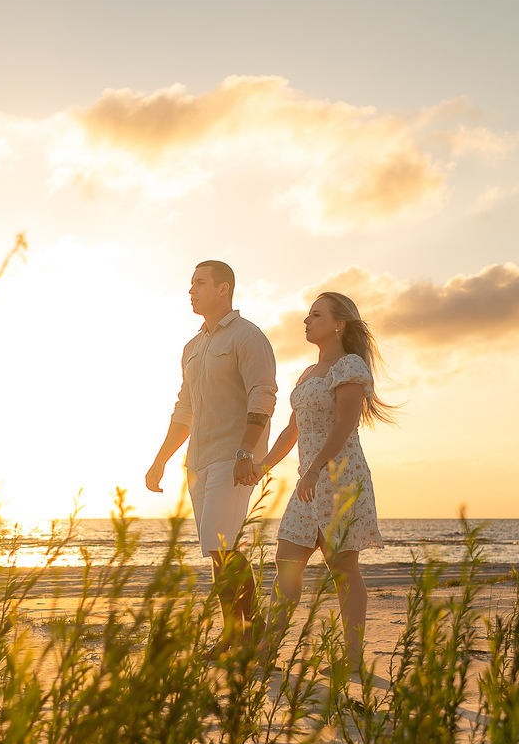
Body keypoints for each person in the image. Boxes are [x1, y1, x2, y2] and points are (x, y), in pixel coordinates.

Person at [253, 291, 398, 671]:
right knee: (286, 562)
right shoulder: (306, 374)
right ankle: (267, 652)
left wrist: (316, 468)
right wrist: (262, 466)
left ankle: (351, 658)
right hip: (309, 482)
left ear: (339, 324)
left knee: (343, 568)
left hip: (339, 478)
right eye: (307, 314)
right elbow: (292, 430)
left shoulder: (349, 367)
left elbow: (345, 423)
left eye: (316, 315)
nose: (306, 320)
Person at [146, 260, 277, 658]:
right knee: (219, 552)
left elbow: (263, 395)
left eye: (199, 283)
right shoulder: (193, 346)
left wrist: (245, 453)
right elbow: (184, 409)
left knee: (224, 547)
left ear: (224, 288)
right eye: (190, 284)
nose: (191, 290)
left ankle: (247, 635)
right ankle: (237, 635)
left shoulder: (247, 337)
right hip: (198, 461)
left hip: (232, 457)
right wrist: (161, 459)